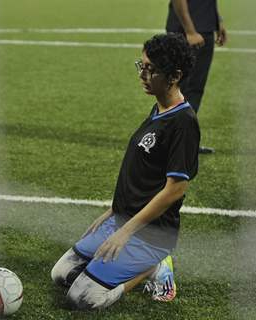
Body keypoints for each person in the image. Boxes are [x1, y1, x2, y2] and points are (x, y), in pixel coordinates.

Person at [51, 33, 199, 310]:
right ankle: (117, 265)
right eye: (141, 65)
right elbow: (143, 174)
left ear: (174, 76)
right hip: (122, 219)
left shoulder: (183, 123)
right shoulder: (159, 109)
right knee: (61, 274)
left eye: (151, 69)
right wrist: (113, 210)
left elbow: (175, 189)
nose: (142, 74)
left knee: (82, 298)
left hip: (150, 235)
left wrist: (125, 231)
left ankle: (154, 268)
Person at [166, 0, 227, 154]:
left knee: (193, 89)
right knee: (182, 89)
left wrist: (217, 20)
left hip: (202, 27)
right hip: (189, 31)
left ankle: (183, 141)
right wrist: (190, 31)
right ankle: (173, 143)